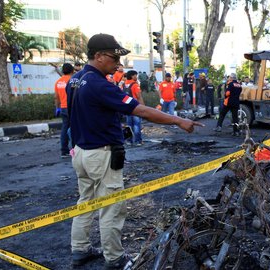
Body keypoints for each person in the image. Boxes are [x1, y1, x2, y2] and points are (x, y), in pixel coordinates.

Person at [66, 33, 203, 270]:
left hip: (80, 152)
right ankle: (115, 259)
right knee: (111, 208)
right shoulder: (100, 85)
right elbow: (141, 110)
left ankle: (80, 249)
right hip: (101, 154)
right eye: (113, 58)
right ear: (98, 56)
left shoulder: (75, 80)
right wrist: (177, 120)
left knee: (85, 202)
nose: (118, 64)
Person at [54, 63, 75, 158]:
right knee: (75, 128)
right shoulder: (73, 81)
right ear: (72, 70)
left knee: (64, 128)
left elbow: (56, 97)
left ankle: (64, 150)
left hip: (62, 107)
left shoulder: (58, 82)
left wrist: (57, 107)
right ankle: (75, 149)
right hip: (72, 107)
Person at [124, 70, 144, 145]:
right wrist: (143, 107)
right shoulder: (135, 85)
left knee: (129, 125)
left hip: (127, 107)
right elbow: (139, 96)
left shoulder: (124, 84)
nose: (137, 76)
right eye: (136, 75)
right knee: (136, 124)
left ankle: (129, 141)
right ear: (132, 76)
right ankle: (138, 141)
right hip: (135, 107)